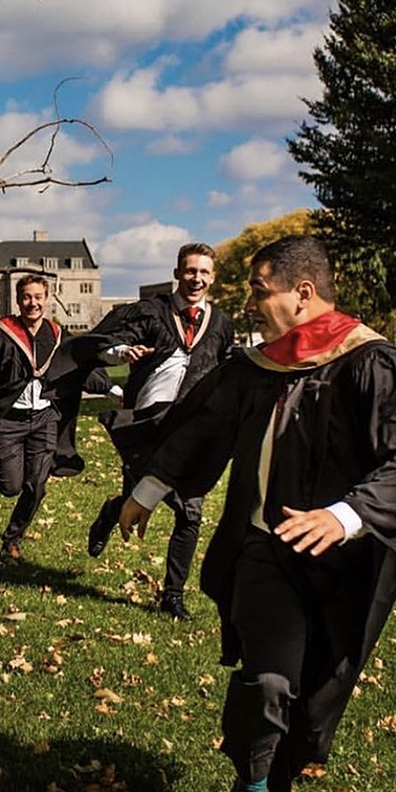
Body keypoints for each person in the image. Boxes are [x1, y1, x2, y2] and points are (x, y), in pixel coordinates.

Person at [118, 236, 396, 792]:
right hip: (265, 547)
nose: (252, 304)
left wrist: (345, 516)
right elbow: (205, 427)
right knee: (267, 677)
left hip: (348, 559)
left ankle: (276, 786)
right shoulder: (261, 366)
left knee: (314, 702)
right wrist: (148, 489)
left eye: (261, 292)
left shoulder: (373, 365)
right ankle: (250, 791)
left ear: (303, 294)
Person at [86, 243, 234, 620]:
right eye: (189, 270)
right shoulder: (152, 312)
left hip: (192, 431)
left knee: (190, 513)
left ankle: (172, 596)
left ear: (212, 277)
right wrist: (121, 352)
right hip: (147, 426)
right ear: (177, 272)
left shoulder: (221, 324)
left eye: (203, 272)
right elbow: (102, 340)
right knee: (137, 497)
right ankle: (110, 514)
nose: (196, 278)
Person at [0, 275, 63, 560]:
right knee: (10, 486)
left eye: (38, 297)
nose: (33, 303)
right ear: (17, 300)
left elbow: (79, 362)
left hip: (44, 418)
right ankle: (13, 478)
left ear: (47, 298)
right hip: (9, 420)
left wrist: (112, 388)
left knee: (36, 485)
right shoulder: (1, 332)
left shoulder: (56, 333)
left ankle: (13, 537)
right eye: (27, 297)